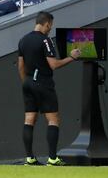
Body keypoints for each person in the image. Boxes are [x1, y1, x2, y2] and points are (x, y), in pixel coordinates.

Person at [17, 11, 81, 166]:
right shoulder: (46, 40)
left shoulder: (23, 40)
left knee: (29, 119)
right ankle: (52, 158)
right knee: (53, 120)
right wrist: (71, 57)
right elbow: (54, 65)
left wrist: (26, 82)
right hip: (43, 83)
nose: (50, 29)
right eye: (50, 26)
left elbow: (20, 65)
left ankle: (30, 158)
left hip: (28, 83)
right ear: (46, 24)